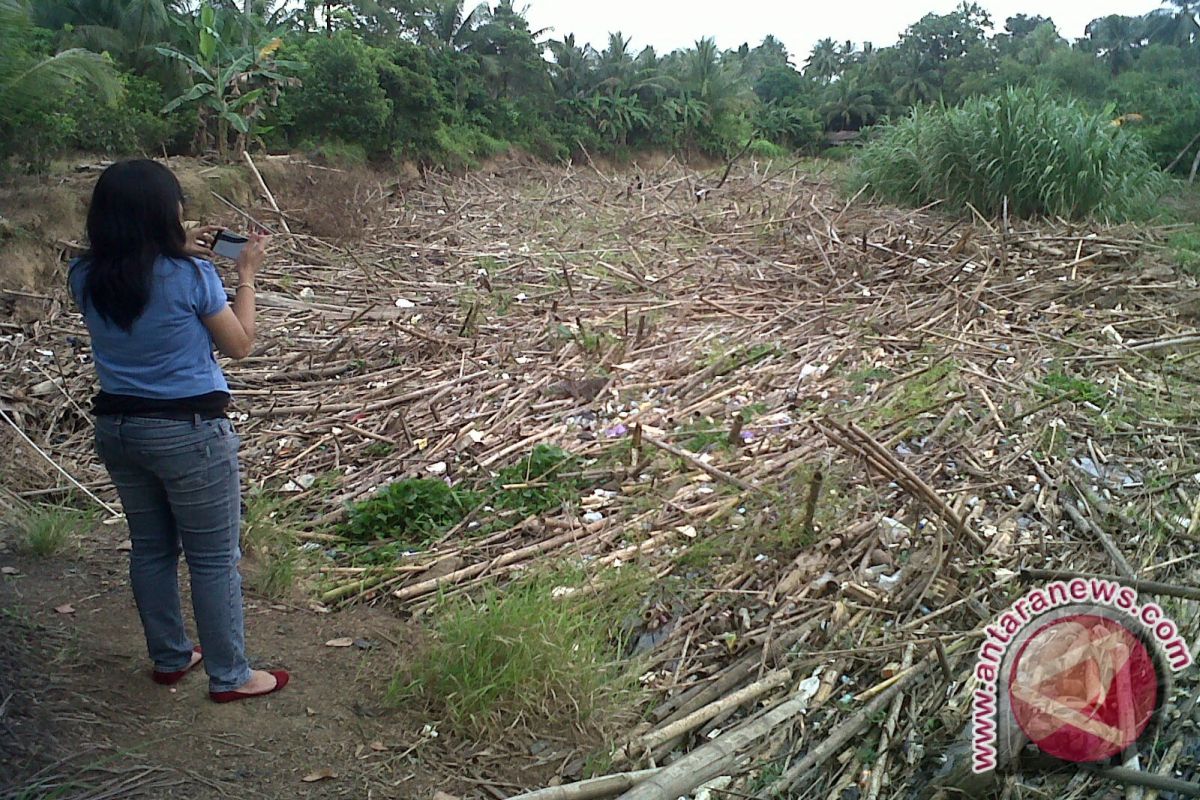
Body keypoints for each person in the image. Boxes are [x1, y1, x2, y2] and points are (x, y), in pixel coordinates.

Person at [68, 159, 288, 703]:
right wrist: (246, 276)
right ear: (165, 214)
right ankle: (231, 675)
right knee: (213, 558)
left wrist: (173, 249)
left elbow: (140, 282)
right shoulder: (193, 276)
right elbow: (239, 344)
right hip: (188, 431)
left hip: (118, 428)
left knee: (150, 548)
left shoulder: (83, 275)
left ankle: (169, 657)